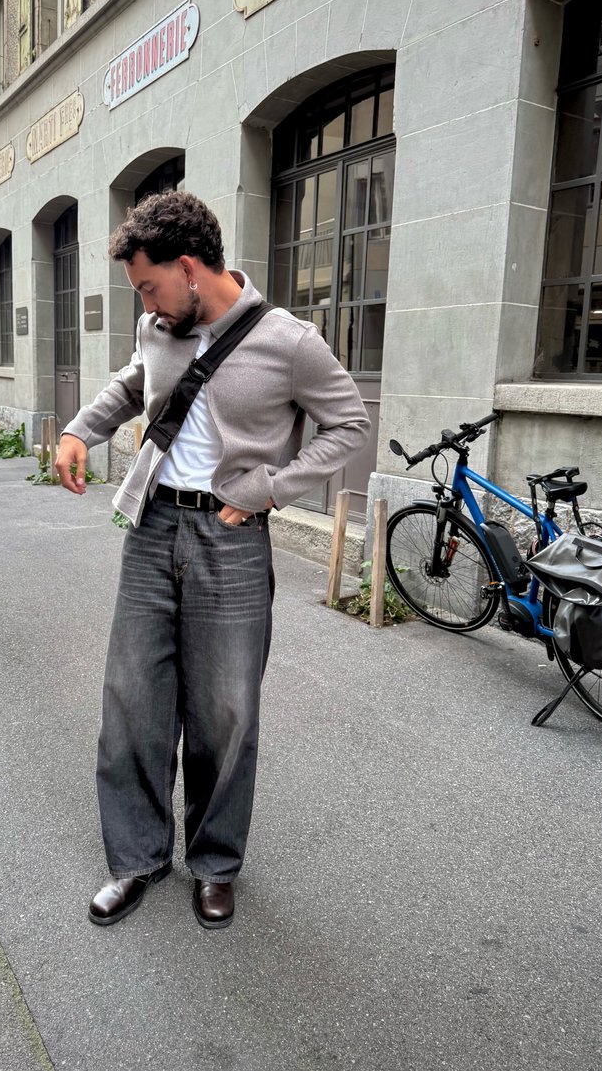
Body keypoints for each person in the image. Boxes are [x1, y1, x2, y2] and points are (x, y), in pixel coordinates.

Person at [55, 190, 370, 930]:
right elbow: (135, 384)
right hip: (153, 525)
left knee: (226, 709)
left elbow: (349, 422)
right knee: (132, 698)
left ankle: (216, 862)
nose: (149, 304)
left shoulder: (288, 341)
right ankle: (136, 857)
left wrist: (269, 489)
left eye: (151, 286)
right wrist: (79, 430)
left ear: (190, 268)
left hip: (231, 539)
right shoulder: (158, 327)